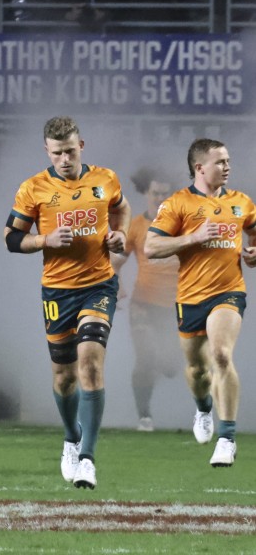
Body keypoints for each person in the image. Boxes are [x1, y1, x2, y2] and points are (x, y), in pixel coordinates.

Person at [4, 116, 129, 490]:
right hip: (58, 292)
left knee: (90, 363)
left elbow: (121, 208)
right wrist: (44, 241)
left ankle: (88, 459)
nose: (64, 159)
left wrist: (118, 234)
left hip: (99, 286)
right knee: (63, 376)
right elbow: (11, 238)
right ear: (47, 151)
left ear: (82, 146)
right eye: (57, 153)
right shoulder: (33, 189)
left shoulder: (105, 179)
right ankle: (71, 438)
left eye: (70, 151)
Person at [144, 139, 256, 468]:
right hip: (191, 297)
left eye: (228, 160)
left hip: (229, 292)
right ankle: (204, 408)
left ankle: (227, 438)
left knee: (221, 355)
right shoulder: (178, 203)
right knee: (197, 370)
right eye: (220, 161)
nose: (227, 166)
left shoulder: (242, 202)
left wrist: (253, 252)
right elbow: (151, 247)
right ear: (200, 168)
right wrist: (193, 237)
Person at [114, 168, 178, 432]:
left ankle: (168, 363)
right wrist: (115, 285)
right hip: (143, 302)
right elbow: (116, 262)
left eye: (165, 194)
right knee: (145, 357)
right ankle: (144, 416)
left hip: (176, 307)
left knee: (171, 366)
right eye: (155, 193)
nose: (159, 198)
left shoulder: (184, 225)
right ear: (145, 193)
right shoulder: (136, 226)